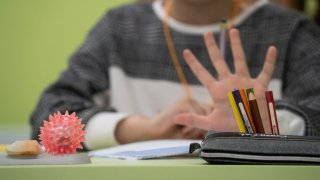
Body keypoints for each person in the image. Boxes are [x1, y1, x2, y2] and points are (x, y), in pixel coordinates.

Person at [31, 0, 320, 150]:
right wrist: (136, 129)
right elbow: (48, 115)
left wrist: (260, 122)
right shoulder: (118, 28)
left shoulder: (292, 33)